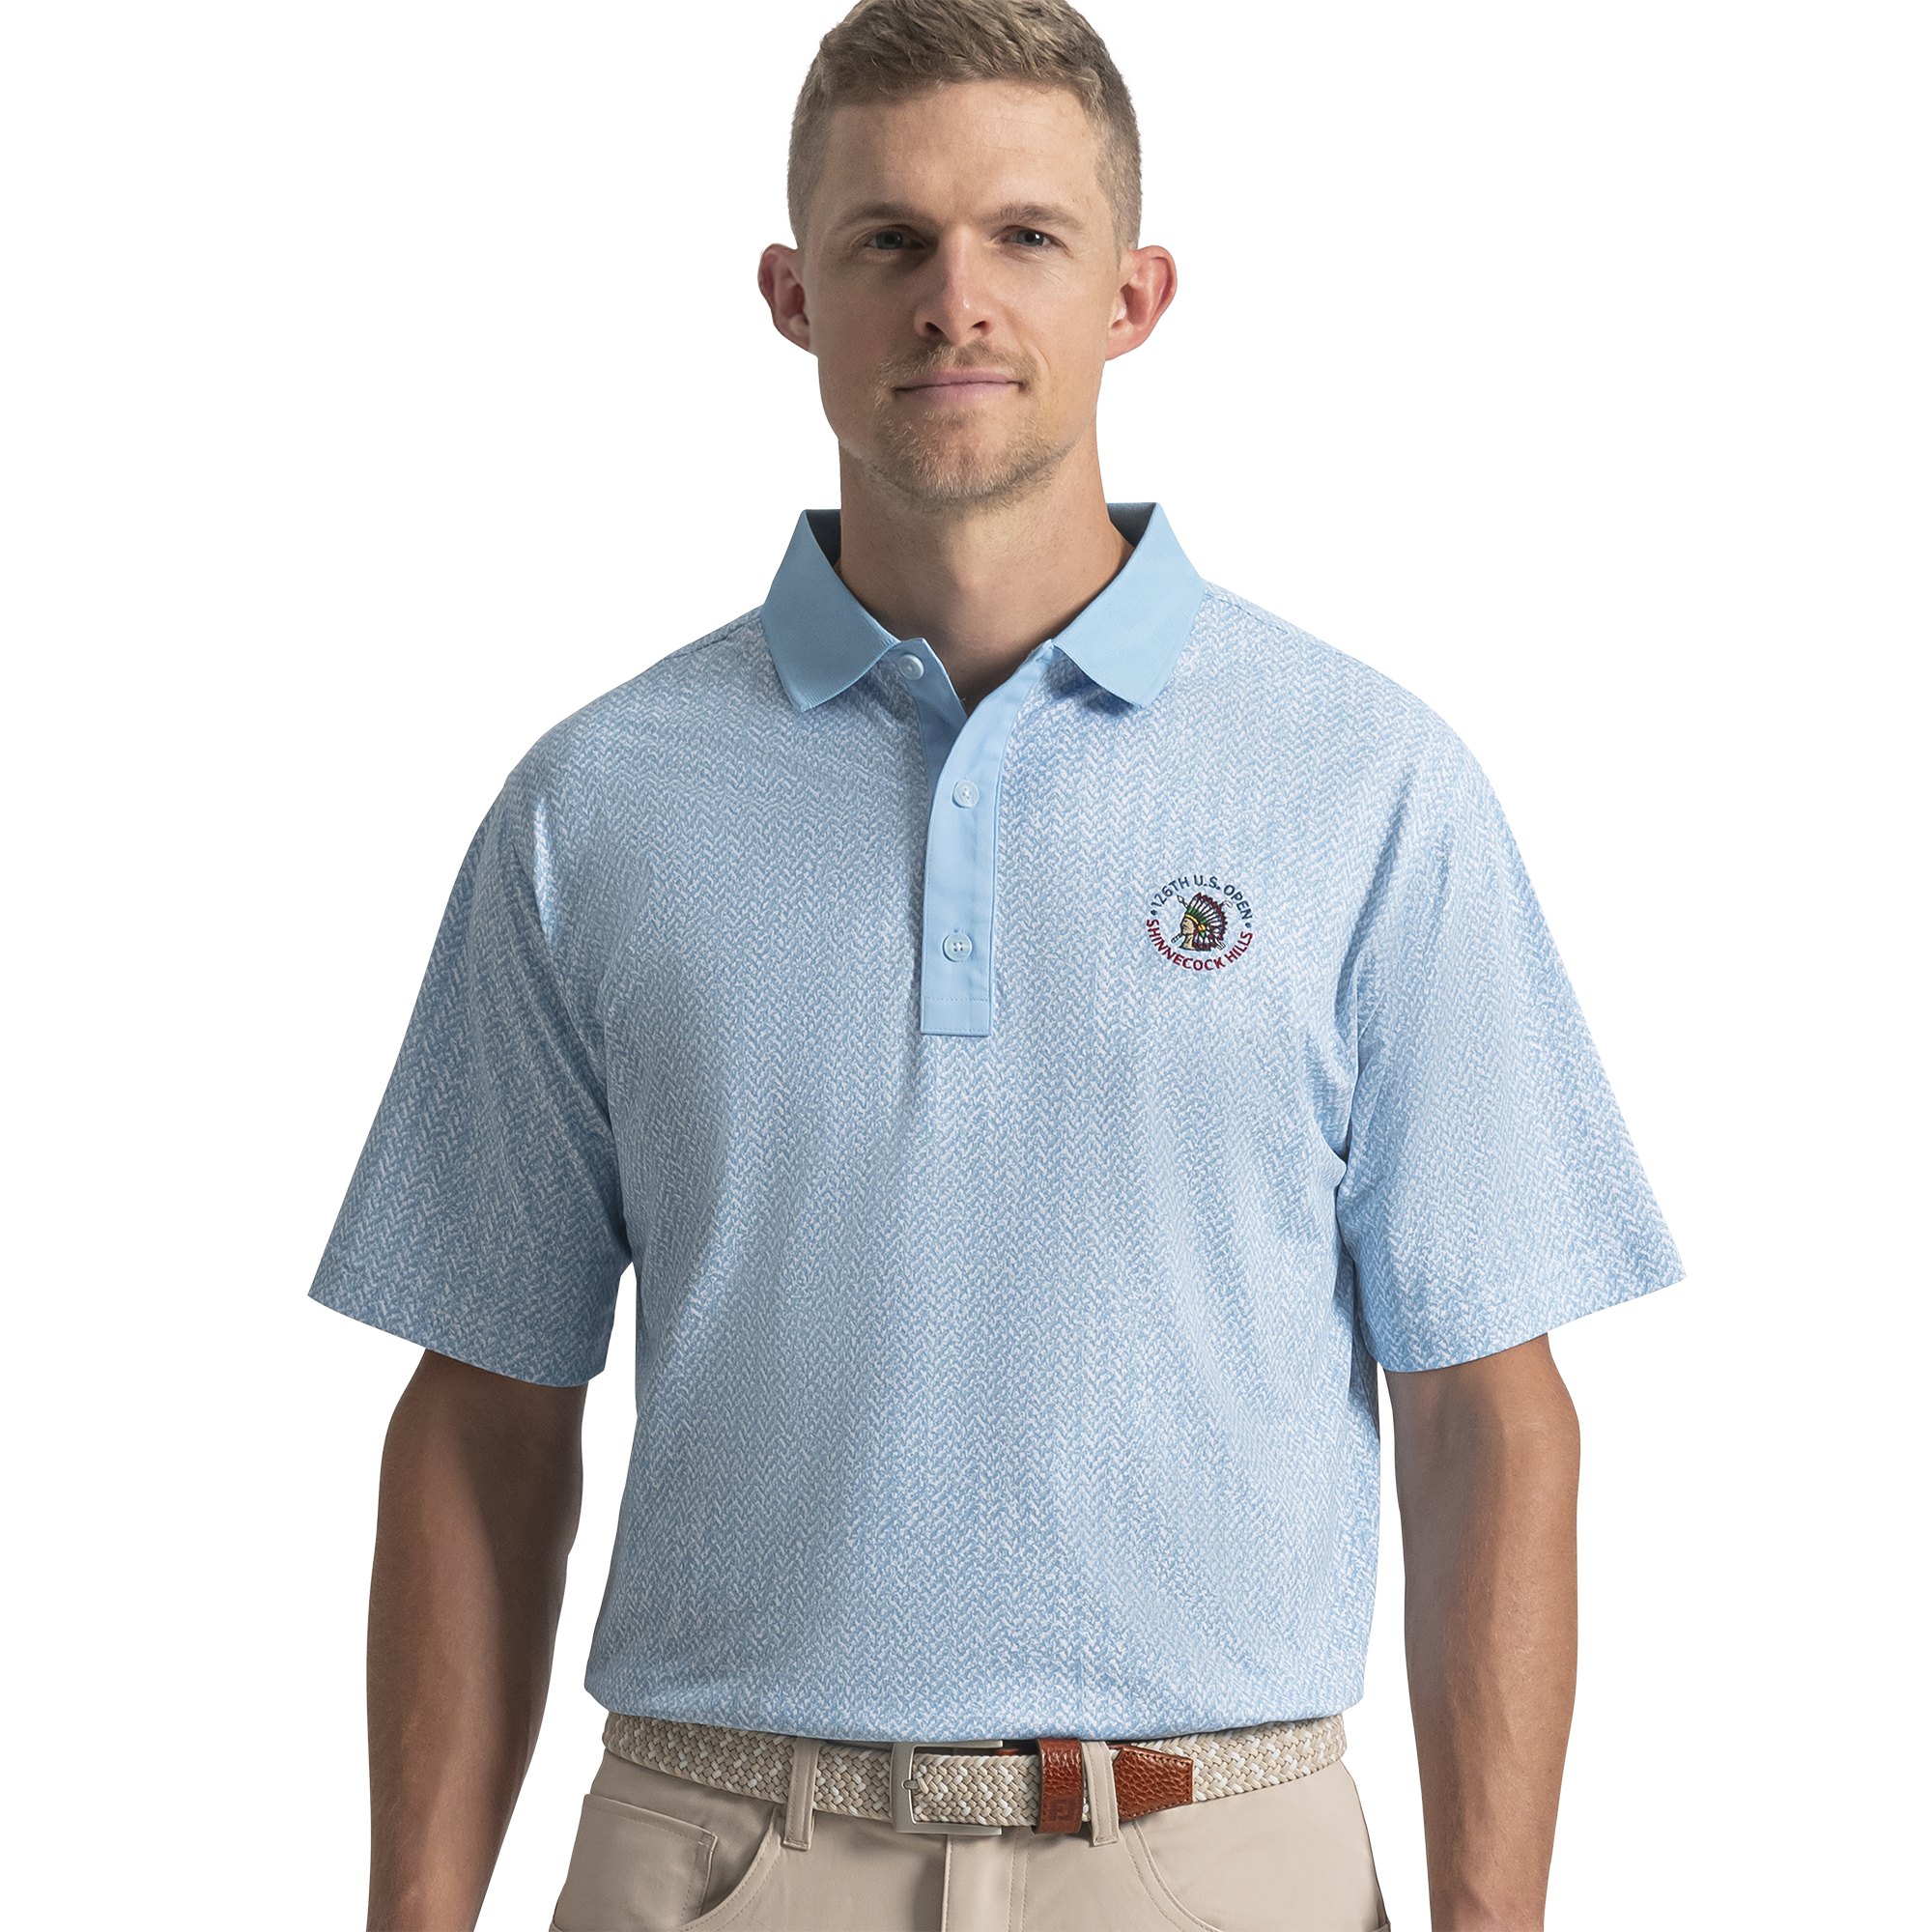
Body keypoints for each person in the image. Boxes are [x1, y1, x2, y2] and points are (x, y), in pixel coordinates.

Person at [310, 2, 1685, 1926]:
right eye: (890, 239)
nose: (955, 298)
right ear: (792, 297)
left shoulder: (1373, 785)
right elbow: (482, 1414)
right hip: (710, 1856)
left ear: (1134, 294)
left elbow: (1488, 1415)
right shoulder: (591, 804)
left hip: (1225, 1855)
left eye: (1025, 235)